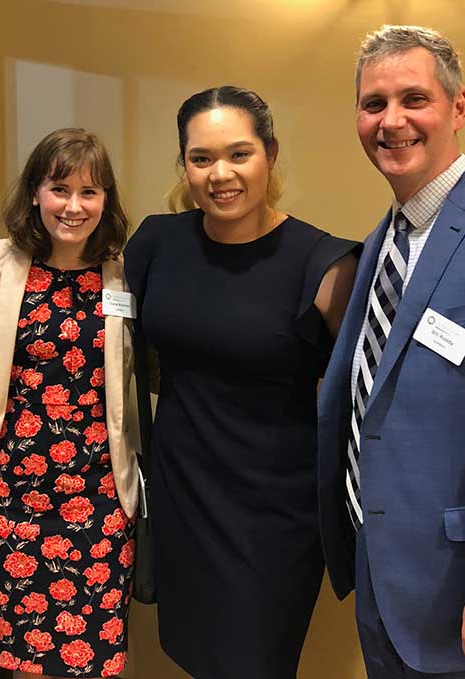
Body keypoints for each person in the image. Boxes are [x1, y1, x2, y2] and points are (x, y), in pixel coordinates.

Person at [123, 86, 359, 679]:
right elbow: (112, 347)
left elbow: (364, 399)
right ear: (184, 165)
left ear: (270, 153)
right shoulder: (157, 242)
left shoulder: (325, 265)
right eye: (201, 159)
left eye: (239, 154)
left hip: (273, 516)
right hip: (182, 495)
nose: (219, 174)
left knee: (255, 662)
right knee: (199, 656)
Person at [317, 24, 465, 678]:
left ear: (458, 107)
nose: (392, 120)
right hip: (385, 587)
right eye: (374, 104)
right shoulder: (384, 238)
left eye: (415, 99)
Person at [0, 128, 139, 679]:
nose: (73, 206)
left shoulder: (125, 275)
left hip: (98, 495)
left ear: (106, 200)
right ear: (35, 194)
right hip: (11, 495)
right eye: (59, 188)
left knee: (94, 657)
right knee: (24, 659)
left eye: (89, 192)